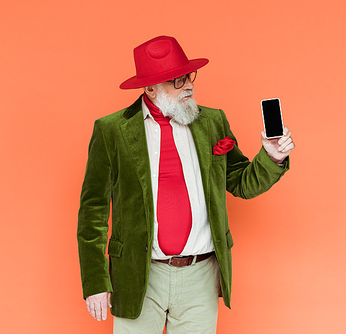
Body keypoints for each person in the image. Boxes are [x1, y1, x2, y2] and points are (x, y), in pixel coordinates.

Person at [77, 35, 294, 333]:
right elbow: (93, 213)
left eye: (188, 76)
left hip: (200, 274)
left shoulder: (213, 122)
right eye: (176, 80)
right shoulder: (111, 131)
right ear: (151, 88)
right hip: (138, 274)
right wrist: (95, 281)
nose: (189, 85)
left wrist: (272, 157)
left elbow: (242, 183)